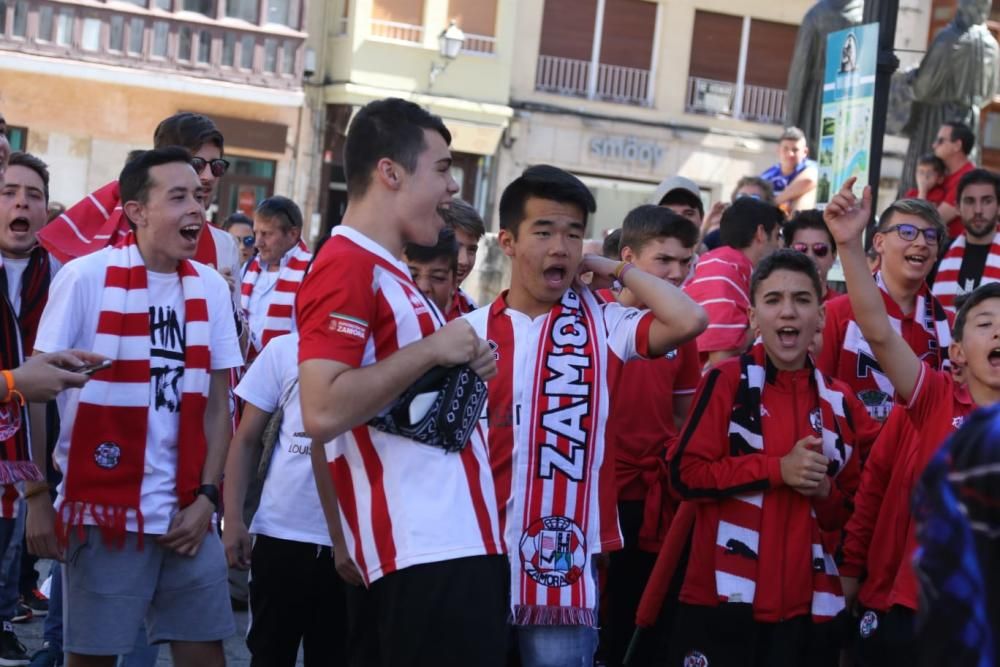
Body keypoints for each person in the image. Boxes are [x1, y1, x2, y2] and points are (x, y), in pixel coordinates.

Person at [463, 165, 707, 666]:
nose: (561, 247)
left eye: (573, 234)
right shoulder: (468, 330)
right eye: (545, 231)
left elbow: (690, 319)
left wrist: (614, 267)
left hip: (565, 563)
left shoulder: (602, 319)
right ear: (507, 241)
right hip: (478, 551)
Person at [296, 98, 506, 667]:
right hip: (424, 550)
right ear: (390, 172)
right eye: (441, 169)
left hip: (453, 543)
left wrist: (458, 367)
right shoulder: (347, 263)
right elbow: (321, 409)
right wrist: (434, 349)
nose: (452, 187)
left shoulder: (386, 268)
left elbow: (398, 399)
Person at [30, 147, 243, 666]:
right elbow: (37, 394)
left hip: (187, 516)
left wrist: (209, 500)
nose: (196, 208)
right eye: (178, 197)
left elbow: (219, 405)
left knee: (207, 655)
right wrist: (37, 494)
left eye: (198, 195)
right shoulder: (85, 278)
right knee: (92, 659)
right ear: (137, 211)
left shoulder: (212, 288)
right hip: (103, 513)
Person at [823, 176, 1000, 667]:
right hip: (908, 613)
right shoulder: (934, 396)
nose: (999, 332)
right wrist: (847, 245)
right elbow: (877, 331)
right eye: (986, 323)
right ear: (957, 350)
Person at [668, 249, 866, 666]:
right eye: (773, 300)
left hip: (808, 612)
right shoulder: (724, 381)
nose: (787, 312)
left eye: (802, 299)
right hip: (721, 603)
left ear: (822, 315)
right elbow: (684, 476)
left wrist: (825, 489)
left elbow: (851, 514)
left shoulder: (841, 400)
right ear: (753, 316)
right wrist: (777, 469)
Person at [598, 205, 702, 666]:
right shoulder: (590, 312)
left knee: (635, 622)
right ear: (627, 259)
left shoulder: (683, 328)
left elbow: (683, 418)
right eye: (664, 261)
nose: (676, 273)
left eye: (685, 262)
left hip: (650, 500)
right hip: (591, 493)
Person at [222, 333, 347, 666]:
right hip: (282, 534)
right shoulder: (283, 349)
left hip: (354, 547)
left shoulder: (387, 350)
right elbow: (245, 439)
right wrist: (233, 519)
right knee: (270, 653)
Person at [38, 113, 241, 295]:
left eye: (217, 166)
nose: (207, 177)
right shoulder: (99, 251)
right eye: (196, 165)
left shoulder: (224, 244)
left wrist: (220, 299)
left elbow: (239, 336)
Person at [818, 198, 951, 422]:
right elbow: (818, 394)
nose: (921, 242)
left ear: (937, 252)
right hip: (853, 452)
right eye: (907, 232)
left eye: (930, 236)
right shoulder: (835, 314)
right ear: (879, 242)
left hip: (923, 453)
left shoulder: (949, 325)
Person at [683, 196, 784, 366]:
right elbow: (721, 360)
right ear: (760, 233)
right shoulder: (723, 273)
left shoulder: (719, 264)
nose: (779, 244)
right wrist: (762, 318)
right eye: (776, 235)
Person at [240, 196, 311, 361]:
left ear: (293, 234)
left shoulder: (311, 270)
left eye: (266, 234)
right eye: (256, 233)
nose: (258, 243)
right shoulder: (248, 268)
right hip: (243, 375)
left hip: (285, 375)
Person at [932, 169, 1000, 312]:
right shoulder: (938, 254)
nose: (978, 210)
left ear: (998, 207)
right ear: (957, 208)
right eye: (970, 201)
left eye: (987, 201)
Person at [931, 121, 977, 239]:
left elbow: (934, 221)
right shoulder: (941, 176)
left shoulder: (969, 177)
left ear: (957, 145)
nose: (934, 145)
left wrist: (922, 189)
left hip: (954, 249)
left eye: (940, 140)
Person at [404, 227, 461, 319]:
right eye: (412, 275)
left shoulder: (471, 329)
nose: (423, 287)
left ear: (454, 283)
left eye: (437, 277)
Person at [784, 209, 839, 301]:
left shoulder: (847, 308)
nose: (810, 257)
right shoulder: (771, 305)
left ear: (833, 256)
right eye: (800, 249)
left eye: (820, 249)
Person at [760, 127, 819, 214]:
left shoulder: (810, 167)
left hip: (797, 220)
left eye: (795, 150)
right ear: (779, 150)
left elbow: (809, 180)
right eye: (786, 149)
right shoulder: (769, 175)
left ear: (805, 152)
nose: (790, 154)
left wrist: (774, 202)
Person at [441, 198, 483, 315]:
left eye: (471, 250)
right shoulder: (403, 302)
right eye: (455, 247)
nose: (464, 261)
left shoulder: (473, 313)